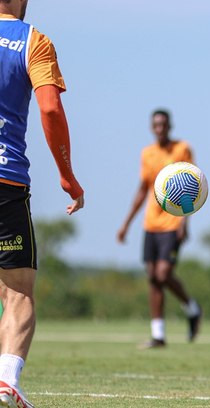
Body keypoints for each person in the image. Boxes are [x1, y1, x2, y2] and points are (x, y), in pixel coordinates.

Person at [0, 0, 85, 406]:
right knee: (18, 294)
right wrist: (67, 176)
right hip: (6, 180)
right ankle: (5, 380)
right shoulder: (33, 40)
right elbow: (49, 107)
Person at [117, 109, 202, 349]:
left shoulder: (182, 149)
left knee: (163, 274)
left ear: (169, 126)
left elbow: (192, 186)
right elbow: (142, 190)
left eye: (163, 124)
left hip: (173, 222)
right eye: (156, 125)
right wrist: (126, 224)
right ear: (151, 127)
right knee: (153, 278)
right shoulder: (147, 153)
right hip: (151, 224)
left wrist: (185, 221)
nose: (160, 128)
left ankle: (192, 308)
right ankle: (158, 335)